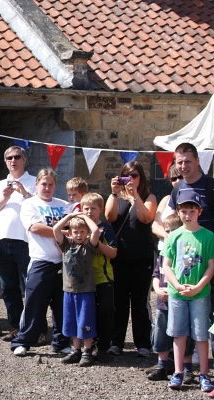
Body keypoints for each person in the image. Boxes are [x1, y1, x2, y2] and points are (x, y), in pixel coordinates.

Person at [11, 168, 70, 356]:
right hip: (41, 261)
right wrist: (63, 231)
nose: (47, 188)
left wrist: (65, 231)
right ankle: (23, 341)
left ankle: (61, 343)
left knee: (62, 306)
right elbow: (35, 228)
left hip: (63, 263)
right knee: (34, 305)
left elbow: (75, 227)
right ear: (36, 185)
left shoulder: (64, 205)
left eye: (51, 184)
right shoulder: (29, 204)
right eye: (43, 184)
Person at [161, 190, 214, 392]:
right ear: (178, 212)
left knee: (201, 334)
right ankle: (178, 371)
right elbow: (166, 265)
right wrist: (176, 285)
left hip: (200, 294)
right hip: (177, 294)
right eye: (184, 211)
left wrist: (199, 286)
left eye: (192, 210)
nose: (187, 214)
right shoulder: (173, 236)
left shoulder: (208, 236)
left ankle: (203, 374)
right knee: (178, 334)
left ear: (199, 211)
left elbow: (211, 266)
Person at [105, 160, 157, 356]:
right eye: (127, 175)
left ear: (141, 178)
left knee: (140, 303)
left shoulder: (148, 196)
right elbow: (109, 216)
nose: (131, 179)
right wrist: (114, 192)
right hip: (120, 257)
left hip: (142, 258)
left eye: (134, 176)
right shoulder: (116, 196)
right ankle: (116, 342)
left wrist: (135, 196)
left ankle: (143, 344)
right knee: (118, 302)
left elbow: (146, 217)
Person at [0, 146, 36, 342]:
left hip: (26, 241)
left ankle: (35, 327)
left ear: (24, 160)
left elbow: (40, 206)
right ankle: (16, 326)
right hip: (3, 241)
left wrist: (24, 193)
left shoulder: (33, 182)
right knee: (8, 287)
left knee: (30, 286)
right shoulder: (0, 184)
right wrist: (5, 197)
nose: (13, 160)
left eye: (17, 157)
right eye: (9, 158)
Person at [147, 213, 195, 382]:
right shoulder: (163, 254)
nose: (169, 235)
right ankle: (162, 364)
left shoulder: (188, 255)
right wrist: (158, 289)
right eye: (167, 231)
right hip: (163, 302)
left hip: (181, 302)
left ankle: (186, 367)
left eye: (173, 231)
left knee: (184, 335)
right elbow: (155, 274)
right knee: (161, 333)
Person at [53, 212, 100, 366]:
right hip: (69, 291)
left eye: (82, 232)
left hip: (85, 291)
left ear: (86, 233)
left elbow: (96, 231)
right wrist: (71, 217)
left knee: (85, 321)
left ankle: (87, 351)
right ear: (70, 233)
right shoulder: (66, 245)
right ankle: (76, 350)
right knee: (72, 322)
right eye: (75, 232)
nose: (79, 235)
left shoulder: (88, 246)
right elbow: (56, 230)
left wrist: (85, 217)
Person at [80, 193, 117, 359]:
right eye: (86, 208)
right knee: (88, 312)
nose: (89, 212)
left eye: (93, 208)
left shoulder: (106, 228)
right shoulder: (79, 227)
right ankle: (88, 344)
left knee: (105, 312)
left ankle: (103, 346)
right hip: (83, 281)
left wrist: (97, 243)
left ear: (100, 210)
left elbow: (114, 253)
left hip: (103, 278)